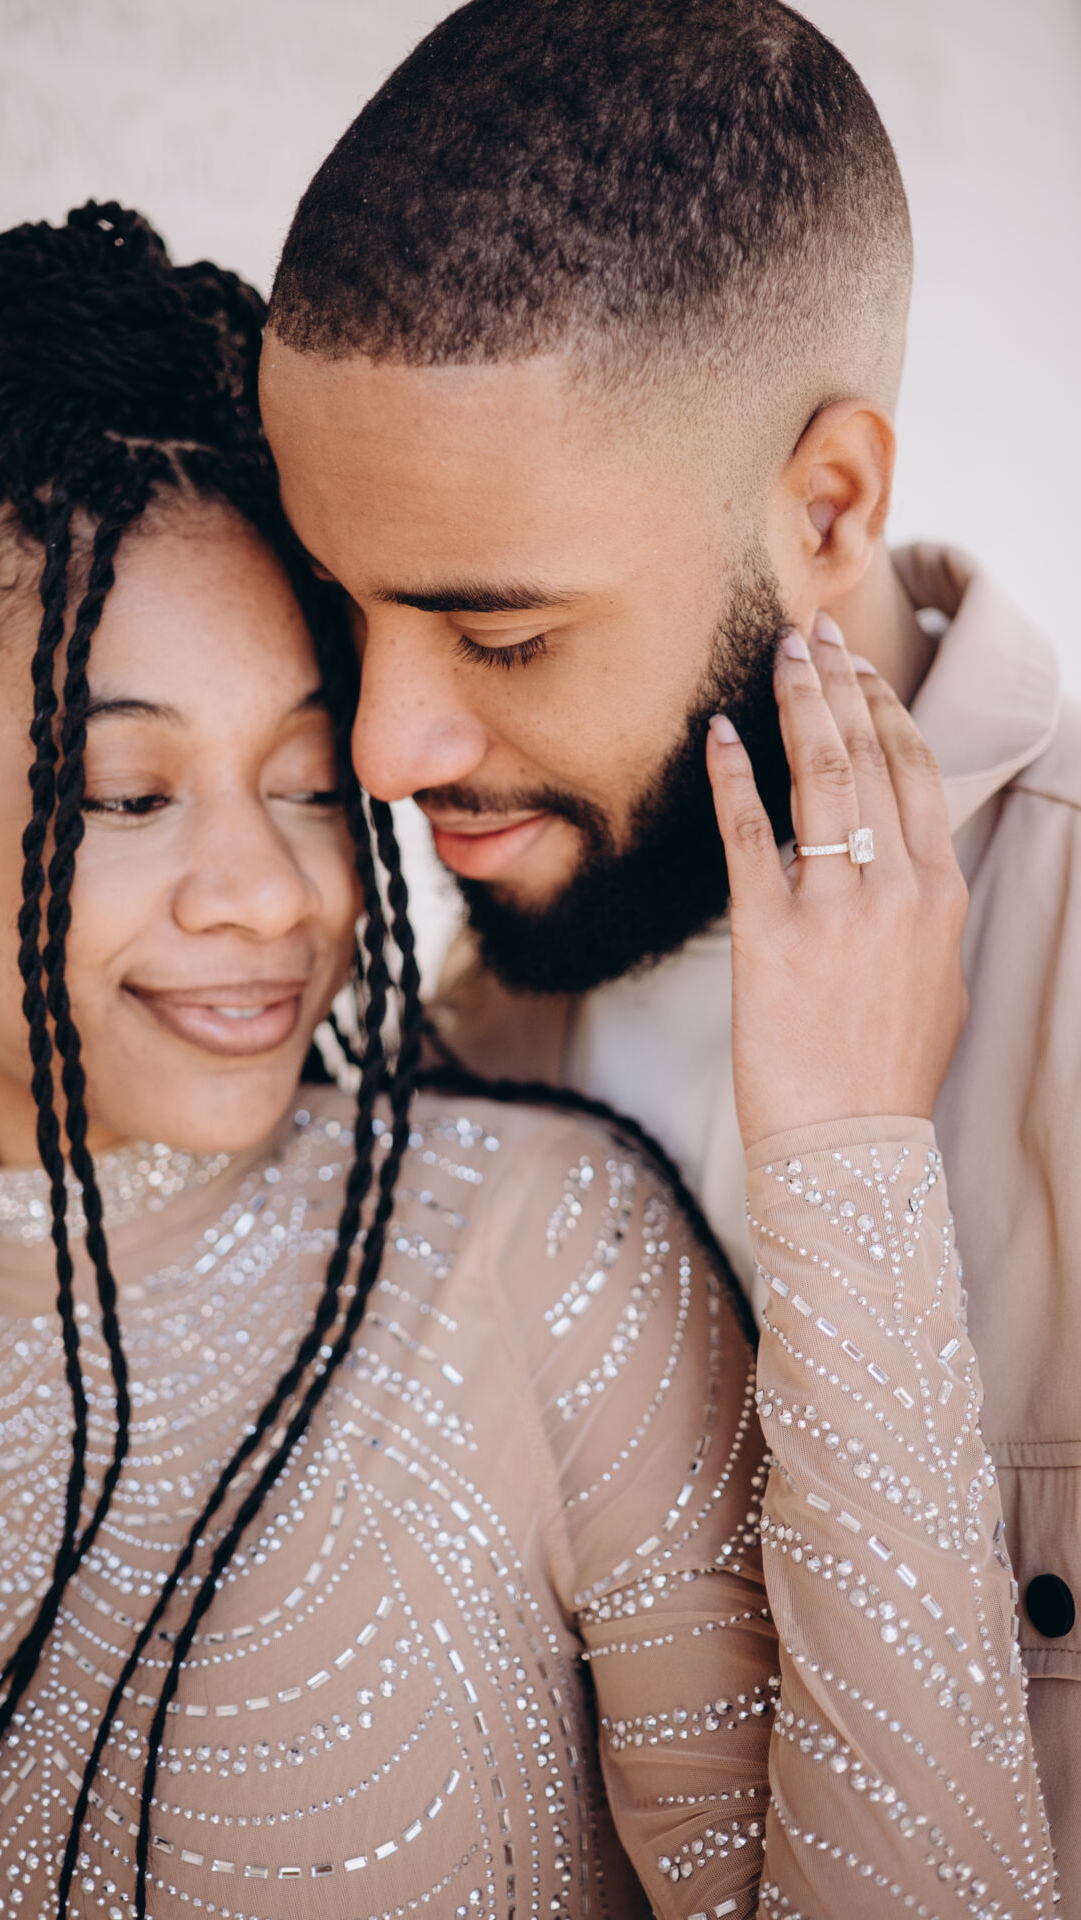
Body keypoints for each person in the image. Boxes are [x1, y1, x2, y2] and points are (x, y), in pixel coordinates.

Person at [0, 203, 1044, 1920]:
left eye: (312, 784)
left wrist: (847, 1169)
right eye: (130, 793)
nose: (267, 892)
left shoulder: (539, 1246)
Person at [258, 0, 1081, 1897]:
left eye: (504, 635)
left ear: (827, 505)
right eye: (345, 606)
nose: (382, 749)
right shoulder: (443, 1047)